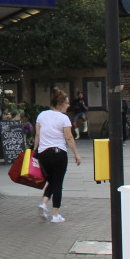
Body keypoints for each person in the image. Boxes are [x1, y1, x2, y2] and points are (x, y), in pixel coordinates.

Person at [34, 88, 82, 223]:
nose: (68, 105)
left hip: (43, 154)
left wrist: (35, 151)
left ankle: (44, 203)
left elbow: (37, 135)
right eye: (66, 103)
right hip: (59, 154)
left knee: (52, 181)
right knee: (58, 183)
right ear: (60, 104)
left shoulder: (42, 115)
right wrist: (77, 154)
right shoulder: (64, 118)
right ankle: (55, 215)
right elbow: (69, 138)